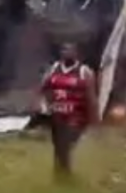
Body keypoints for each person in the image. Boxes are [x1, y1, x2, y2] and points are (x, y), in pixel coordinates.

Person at [37, 42, 97, 181]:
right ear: (61, 53)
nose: (67, 53)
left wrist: (94, 117)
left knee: (66, 143)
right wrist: (43, 105)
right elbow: (43, 88)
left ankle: (64, 174)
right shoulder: (53, 68)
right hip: (57, 114)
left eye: (70, 50)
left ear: (76, 53)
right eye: (64, 50)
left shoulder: (84, 71)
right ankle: (60, 174)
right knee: (58, 145)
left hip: (77, 115)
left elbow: (91, 95)